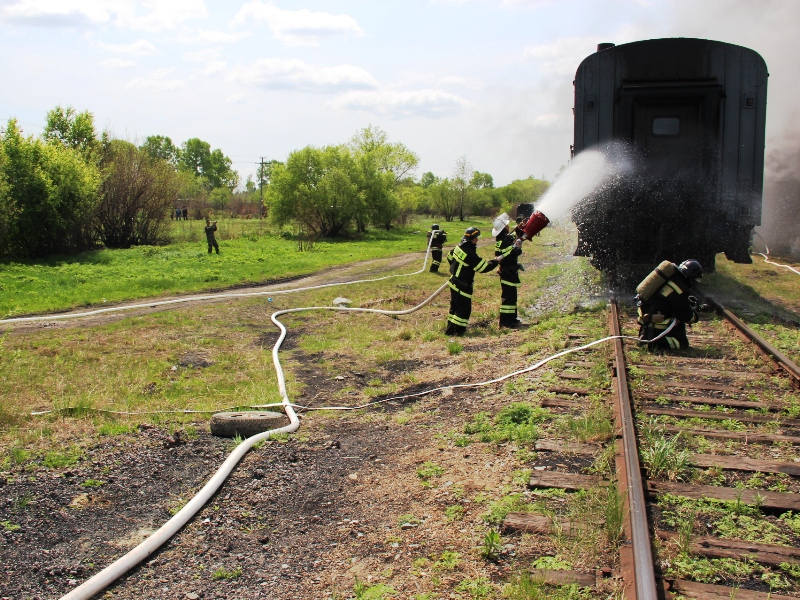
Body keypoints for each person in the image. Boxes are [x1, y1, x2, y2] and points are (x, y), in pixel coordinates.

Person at [445, 227, 503, 336]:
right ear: (471, 239)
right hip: (463, 285)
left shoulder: (459, 247)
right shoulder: (469, 253)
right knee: (463, 310)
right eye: (476, 238)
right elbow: (483, 267)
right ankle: (458, 332)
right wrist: (496, 260)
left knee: (454, 308)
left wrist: (457, 268)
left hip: (454, 282)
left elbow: (449, 257)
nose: (477, 240)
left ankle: (450, 331)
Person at [637, 259, 705, 350]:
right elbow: (685, 315)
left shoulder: (671, 279)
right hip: (658, 323)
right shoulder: (680, 289)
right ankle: (654, 343)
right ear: (691, 277)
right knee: (681, 343)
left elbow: (668, 299)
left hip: (647, 318)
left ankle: (647, 336)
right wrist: (695, 315)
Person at [492, 213, 524, 328]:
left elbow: (508, 250)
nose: (508, 227)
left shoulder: (501, 240)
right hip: (508, 272)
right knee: (509, 298)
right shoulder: (506, 240)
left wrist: (518, 229)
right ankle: (507, 322)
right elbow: (513, 252)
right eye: (507, 225)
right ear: (504, 227)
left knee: (511, 296)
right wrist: (518, 248)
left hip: (507, 271)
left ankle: (512, 319)